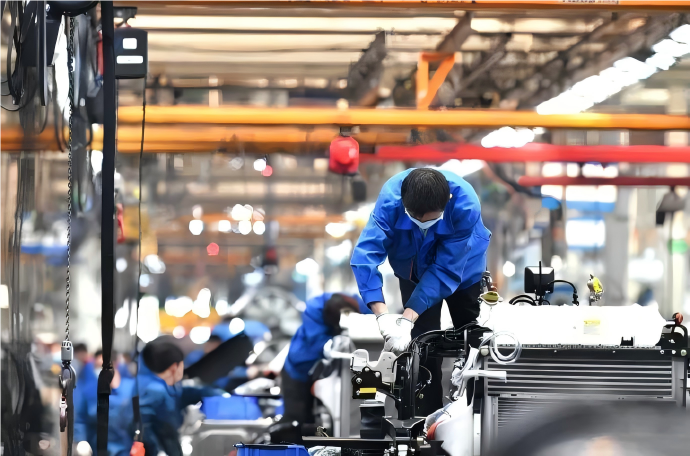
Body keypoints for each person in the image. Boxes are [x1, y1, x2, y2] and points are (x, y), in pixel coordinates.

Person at [351, 168, 491, 415]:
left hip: (463, 270)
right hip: (412, 270)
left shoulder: (465, 205)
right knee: (421, 345)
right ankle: (423, 419)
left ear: (446, 203)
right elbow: (365, 257)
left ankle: (475, 413)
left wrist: (407, 318)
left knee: (473, 342)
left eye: (431, 219)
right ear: (404, 203)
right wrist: (382, 315)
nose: (423, 223)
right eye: (416, 217)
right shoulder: (390, 201)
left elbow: (445, 269)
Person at [281, 292, 369, 429]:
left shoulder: (363, 306)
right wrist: (335, 341)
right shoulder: (314, 309)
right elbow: (319, 343)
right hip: (299, 370)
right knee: (298, 421)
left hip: (338, 371)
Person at [139, 340, 223, 456]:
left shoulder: (151, 384)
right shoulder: (157, 393)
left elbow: (185, 393)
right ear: (175, 368)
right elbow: (166, 434)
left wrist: (214, 393)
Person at [74, 350, 136, 456]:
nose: (100, 371)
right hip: (97, 449)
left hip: (126, 449)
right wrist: (81, 440)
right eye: (97, 367)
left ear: (115, 364)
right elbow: (81, 419)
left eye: (103, 366)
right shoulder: (89, 391)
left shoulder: (131, 389)